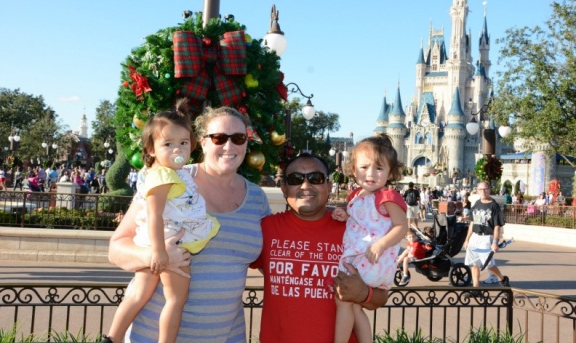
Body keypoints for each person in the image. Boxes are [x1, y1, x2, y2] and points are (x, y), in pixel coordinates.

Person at [107, 106, 270, 342]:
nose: (229, 146)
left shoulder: (257, 199)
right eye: (219, 138)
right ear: (202, 143)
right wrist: (158, 256)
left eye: (238, 138)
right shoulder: (169, 180)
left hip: (227, 336)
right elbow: (116, 249)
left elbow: (273, 261)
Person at [102, 100, 220, 343]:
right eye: (168, 144)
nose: (177, 150)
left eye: (183, 143)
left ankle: (111, 337)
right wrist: (159, 252)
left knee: (139, 293)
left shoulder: (173, 173)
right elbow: (154, 214)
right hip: (166, 240)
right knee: (175, 300)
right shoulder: (163, 175)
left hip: (158, 239)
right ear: (152, 148)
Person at [251, 153, 394, 343]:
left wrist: (363, 293)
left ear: (328, 186)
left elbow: (381, 297)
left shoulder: (355, 230)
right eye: (295, 179)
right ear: (284, 188)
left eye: (315, 178)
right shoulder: (265, 229)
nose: (305, 186)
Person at [331, 135, 408, 343]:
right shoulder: (357, 195)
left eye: (379, 169)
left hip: (372, 259)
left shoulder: (387, 196)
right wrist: (346, 216)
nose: (371, 174)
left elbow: (402, 226)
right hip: (362, 258)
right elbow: (367, 220)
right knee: (354, 306)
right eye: (364, 167)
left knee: (343, 299)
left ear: (390, 172)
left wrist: (381, 245)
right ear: (353, 169)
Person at [464, 182, 510, 290]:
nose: (483, 191)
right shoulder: (476, 203)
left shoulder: (494, 205)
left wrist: (495, 242)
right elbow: (472, 223)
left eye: (485, 189)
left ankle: (502, 279)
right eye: (480, 189)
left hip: (486, 237)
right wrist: (467, 239)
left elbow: (497, 226)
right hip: (475, 237)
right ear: (477, 190)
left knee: (488, 264)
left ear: (489, 189)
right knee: (474, 264)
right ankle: (476, 288)